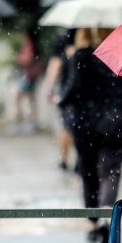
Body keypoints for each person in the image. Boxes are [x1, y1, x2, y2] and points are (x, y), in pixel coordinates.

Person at [58, 27, 122, 243]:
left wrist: (60, 99)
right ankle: (106, 216)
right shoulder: (118, 56)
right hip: (115, 122)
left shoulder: (81, 56)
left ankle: (93, 223)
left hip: (86, 124)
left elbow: (72, 90)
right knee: (110, 171)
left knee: (88, 171)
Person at [42, 29, 76, 170]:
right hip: (80, 93)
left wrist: (48, 89)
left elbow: (55, 66)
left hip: (65, 93)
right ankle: (78, 160)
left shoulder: (62, 39)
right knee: (74, 127)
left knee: (65, 127)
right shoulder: (85, 38)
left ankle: (64, 160)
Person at [13, 31, 44, 134]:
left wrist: (18, 58)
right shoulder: (31, 45)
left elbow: (27, 59)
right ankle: (31, 123)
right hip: (31, 75)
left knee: (19, 98)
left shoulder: (29, 46)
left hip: (28, 76)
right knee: (31, 99)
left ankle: (22, 124)